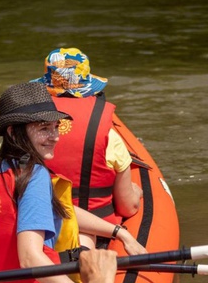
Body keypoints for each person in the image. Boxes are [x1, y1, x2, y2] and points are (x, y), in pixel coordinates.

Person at [0, 82, 145, 283]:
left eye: (55, 127)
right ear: (12, 132)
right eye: (43, 128)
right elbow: (30, 258)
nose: (55, 136)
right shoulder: (34, 175)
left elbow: (63, 211)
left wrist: (119, 232)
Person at [32, 47, 142, 244]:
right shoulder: (110, 137)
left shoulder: (24, 131)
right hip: (94, 225)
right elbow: (128, 207)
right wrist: (137, 192)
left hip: (34, 222)